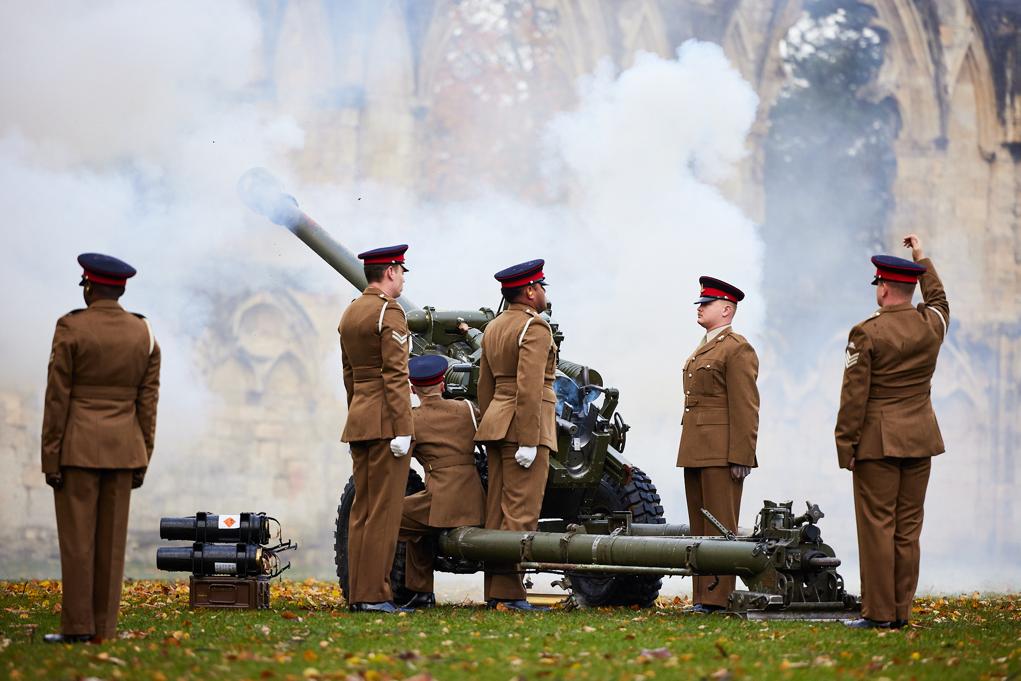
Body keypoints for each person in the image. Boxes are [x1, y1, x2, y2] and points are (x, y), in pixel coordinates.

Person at [41, 253, 160, 644]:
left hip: (77, 449)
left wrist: (50, 456)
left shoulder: (71, 327)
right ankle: (104, 629)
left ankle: (77, 627)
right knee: (112, 545)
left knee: (77, 543)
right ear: (122, 288)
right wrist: (143, 455)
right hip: (124, 450)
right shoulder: (143, 333)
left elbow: (57, 398)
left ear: (89, 286)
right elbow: (148, 402)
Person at [836, 234, 949, 629]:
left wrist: (845, 446)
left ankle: (878, 614)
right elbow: (940, 302)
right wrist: (922, 259)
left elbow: (854, 398)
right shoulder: (930, 325)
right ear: (909, 288)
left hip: (877, 444)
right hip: (920, 439)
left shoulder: (866, 333)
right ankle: (900, 612)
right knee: (907, 530)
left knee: (877, 529)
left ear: (883, 288)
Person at [474, 259, 556, 612]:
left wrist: (494, 421)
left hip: (497, 422)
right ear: (530, 291)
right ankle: (510, 594)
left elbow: (484, 385)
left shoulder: (494, 327)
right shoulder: (535, 328)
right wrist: (527, 438)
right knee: (520, 511)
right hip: (525, 426)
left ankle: (496, 589)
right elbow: (530, 387)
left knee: (497, 511)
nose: (544, 293)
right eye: (542, 287)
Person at [675, 276, 759, 614]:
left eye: (706, 304)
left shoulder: (737, 347)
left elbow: (746, 405)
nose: (700, 308)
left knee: (720, 525)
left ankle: (718, 598)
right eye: (700, 303)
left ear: (726, 309)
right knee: (699, 526)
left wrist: (742, 455)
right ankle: (702, 597)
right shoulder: (704, 345)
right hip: (696, 445)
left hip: (722, 449)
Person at [339, 244, 414, 614]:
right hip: (387, 421)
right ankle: (374, 594)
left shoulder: (351, 313)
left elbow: (350, 376)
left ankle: (359, 593)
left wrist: (359, 411)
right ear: (390, 272)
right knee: (384, 513)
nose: (402, 278)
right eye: (401, 271)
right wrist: (404, 427)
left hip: (361, 418)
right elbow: (397, 375)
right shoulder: (390, 313)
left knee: (362, 511)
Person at [397, 354, 486, 609]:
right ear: (443, 384)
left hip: (440, 502)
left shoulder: (411, 419)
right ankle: (422, 592)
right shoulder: (467, 409)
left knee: (393, 518)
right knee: (417, 524)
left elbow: (399, 458)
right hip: (475, 499)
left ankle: (420, 591)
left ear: (413, 389)